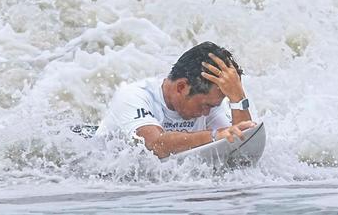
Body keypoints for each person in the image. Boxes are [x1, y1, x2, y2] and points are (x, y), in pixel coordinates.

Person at [96, 41, 256, 159]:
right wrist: (215, 135)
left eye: (213, 106)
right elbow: (155, 145)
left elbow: (243, 148)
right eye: (205, 105)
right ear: (181, 87)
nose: (207, 112)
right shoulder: (133, 96)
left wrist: (238, 98)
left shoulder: (210, 102)